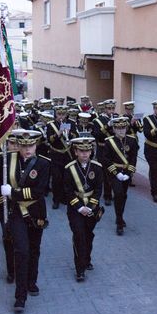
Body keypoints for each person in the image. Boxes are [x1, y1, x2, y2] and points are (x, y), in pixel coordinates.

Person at [0, 129, 51, 313]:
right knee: (21, 250)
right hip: (16, 213)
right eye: (23, 145)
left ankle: (31, 281)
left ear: (36, 145)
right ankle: (20, 296)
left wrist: (12, 193)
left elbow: (39, 191)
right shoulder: (8, 160)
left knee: (34, 249)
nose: (27, 149)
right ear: (18, 145)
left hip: (36, 211)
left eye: (30, 145)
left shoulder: (44, 164)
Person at [63, 137, 104, 282]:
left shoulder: (97, 167)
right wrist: (80, 207)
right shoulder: (69, 169)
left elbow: (99, 189)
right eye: (81, 151)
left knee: (88, 235)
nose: (85, 154)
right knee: (79, 235)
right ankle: (80, 269)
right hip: (76, 208)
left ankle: (87, 259)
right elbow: (67, 191)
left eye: (88, 150)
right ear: (75, 152)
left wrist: (91, 206)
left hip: (92, 208)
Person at [0, 131, 20, 284]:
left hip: (20, 205)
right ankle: (11, 271)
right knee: (8, 237)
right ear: (7, 144)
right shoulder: (1, 159)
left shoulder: (23, 161)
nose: (15, 147)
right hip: (5, 204)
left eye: (17, 144)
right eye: (12, 144)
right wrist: (3, 199)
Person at [105, 117, 138, 235]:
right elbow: (106, 160)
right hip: (115, 173)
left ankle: (120, 215)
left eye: (123, 128)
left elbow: (134, 157)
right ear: (114, 129)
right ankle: (119, 222)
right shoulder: (109, 141)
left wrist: (129, 173)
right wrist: (116, 173)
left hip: (126, 172)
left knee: (123, 195)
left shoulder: (132, 140)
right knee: (118, 194)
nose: (121, 131)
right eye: (118, 128)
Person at [47, 105, 77, 209]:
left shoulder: (71, 123)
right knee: (56, 178)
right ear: (56, 114)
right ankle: (56, 199)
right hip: (56, 155)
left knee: (67, 178)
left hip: (68, 154)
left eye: (63, 114)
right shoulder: (51, 125)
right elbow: (49, 140)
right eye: (59, 114)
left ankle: (65, 198)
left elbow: (76, 137)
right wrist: (58, 133)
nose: (61, 116)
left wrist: (70, 134)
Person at [93, 99, 118, 206]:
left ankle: (116, 192)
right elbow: (97, 135)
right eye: (109, 108)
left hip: (114, 149)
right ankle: (107, 195)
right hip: (103, 149)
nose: (111, 111)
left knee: (115, 171)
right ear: (105, 109)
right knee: (106, 173)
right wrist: (107, 126)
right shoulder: (98, 120)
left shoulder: (117, 118)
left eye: (113, 108)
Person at [122, 101, 143, 187]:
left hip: (134, 140)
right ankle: (125, 175)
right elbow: (124, 130)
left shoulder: (135, 117)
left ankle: (130, 176)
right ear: (125, 109)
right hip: (127, 140)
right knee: (126, 158)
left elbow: (141, 130)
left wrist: (137, 123)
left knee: (133, 158)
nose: (130, 111)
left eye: (131, 109)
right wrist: (131, 123)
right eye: (128, 109)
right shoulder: (123, 117)